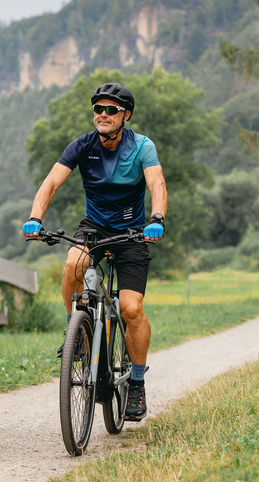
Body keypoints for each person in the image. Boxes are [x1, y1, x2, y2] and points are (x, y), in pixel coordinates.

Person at [21, 82, 166, 421]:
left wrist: (157, 218)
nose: (103, 114)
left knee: (131, 308)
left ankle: (138, 384)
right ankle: (76, 332)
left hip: (132, 231)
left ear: (125, 115)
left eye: (111, 109)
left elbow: (157, 183)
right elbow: (52, 182)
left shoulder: (142, 146)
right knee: (73, 264)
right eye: (98, 109)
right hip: (94, 226)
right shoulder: (82, 146)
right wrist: (35, 216)